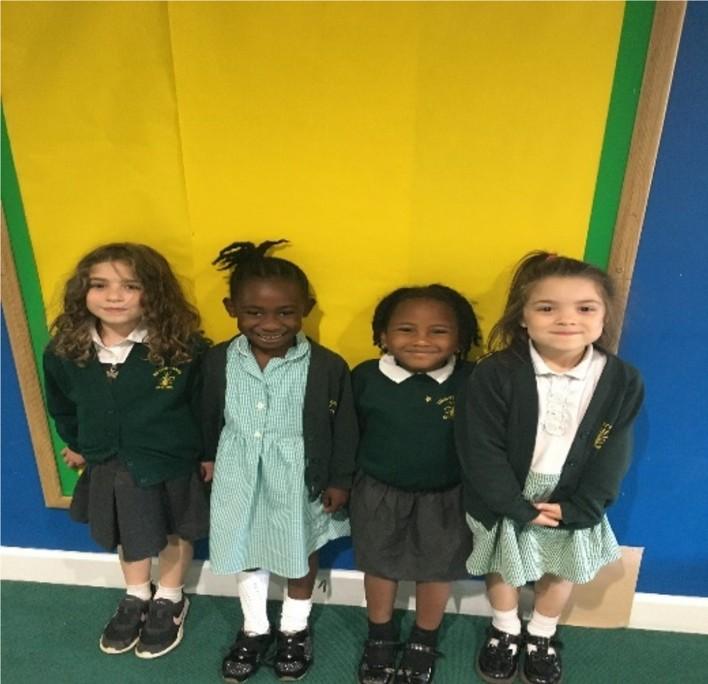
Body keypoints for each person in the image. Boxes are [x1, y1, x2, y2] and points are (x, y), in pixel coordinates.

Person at [456, 251, 644, 684]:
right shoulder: (495, 373)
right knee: (503, 562)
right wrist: (512, 504)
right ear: (522, 317)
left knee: (562, 566)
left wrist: (584, 506)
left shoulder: (621, 379)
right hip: (505, 494)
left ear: (604, 316)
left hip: (573, 495)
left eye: (585, 308)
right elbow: (479, 447)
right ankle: (504, 629)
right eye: (547, 308)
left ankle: (541, 633)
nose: (567, 319)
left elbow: (615, 448)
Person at [43, 242, 211, 659]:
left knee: (173, 530)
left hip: (170, 461)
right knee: (127, 529)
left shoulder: (184, 348)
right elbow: (62, 405)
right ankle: (137, 594)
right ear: (82, 291)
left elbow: (206, 406)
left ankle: (170, 597)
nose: (114, 297)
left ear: (154, 292)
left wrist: (208, 453)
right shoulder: (65, 351)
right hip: (109, 462)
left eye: (130, 286)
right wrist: (79, 444)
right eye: (99, 285)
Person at [202, 239, 357, 683]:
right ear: (232, 309)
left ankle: (294, 628)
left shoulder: (327, 366)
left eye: (285, 312)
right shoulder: (217, 360)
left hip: (299, 477)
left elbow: (345, 427)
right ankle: (254, 627)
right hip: (238, 473)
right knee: (245, 548)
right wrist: (206, 456)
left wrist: (339, 479)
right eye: (254, 312)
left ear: (305, 308)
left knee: (298, 553)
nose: (270, 324)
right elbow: (206, 414)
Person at [350, 284, 480, 684]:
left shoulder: (473, 380)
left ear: (460, 339)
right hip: (378, 491)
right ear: (383, 335)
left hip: (447, 496)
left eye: (438, 331)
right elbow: (348, 434)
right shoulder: (365, 377)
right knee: (379, 564)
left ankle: (424, 639)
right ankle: (380, 635)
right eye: (406, 329)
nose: (421, 340)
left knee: (437, 570)